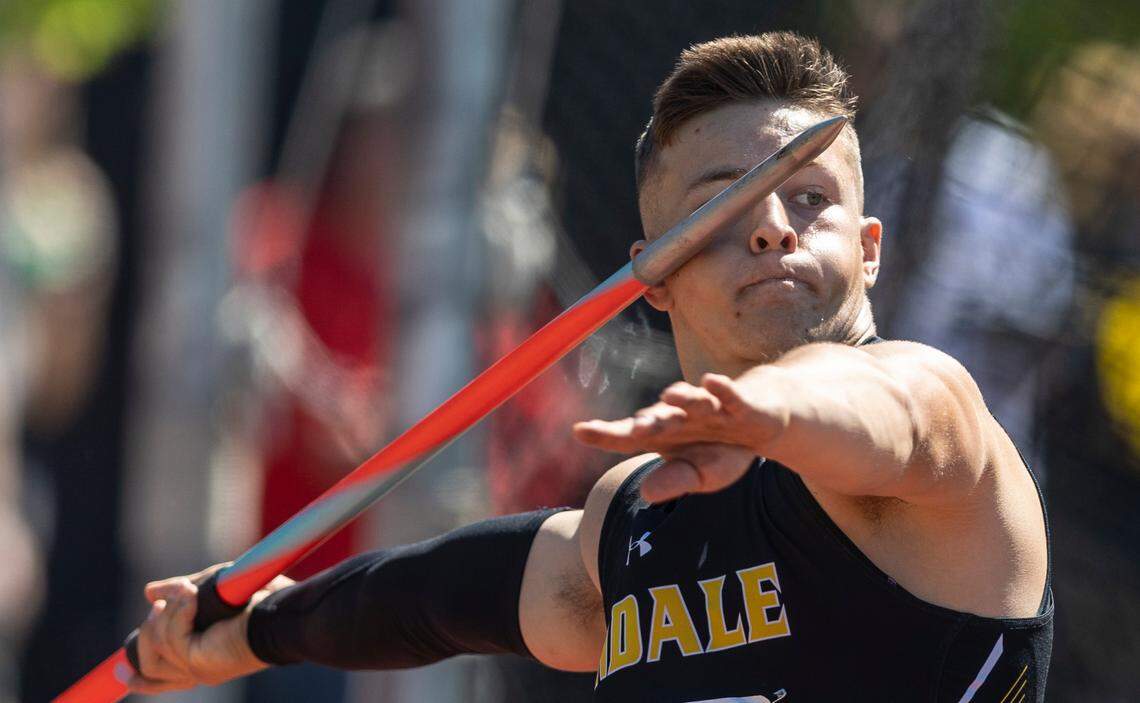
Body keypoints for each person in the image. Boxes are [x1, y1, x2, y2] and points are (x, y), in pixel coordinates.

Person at [127, 32, 1053, 702]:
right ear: (652, 273)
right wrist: (255, 628)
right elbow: (437, 597)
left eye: (811, 199)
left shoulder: (939, 426)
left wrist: (759, 414)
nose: (774, 224)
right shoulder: (632, 519)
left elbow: (874, 404)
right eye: (722, 207)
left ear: (871, 247)